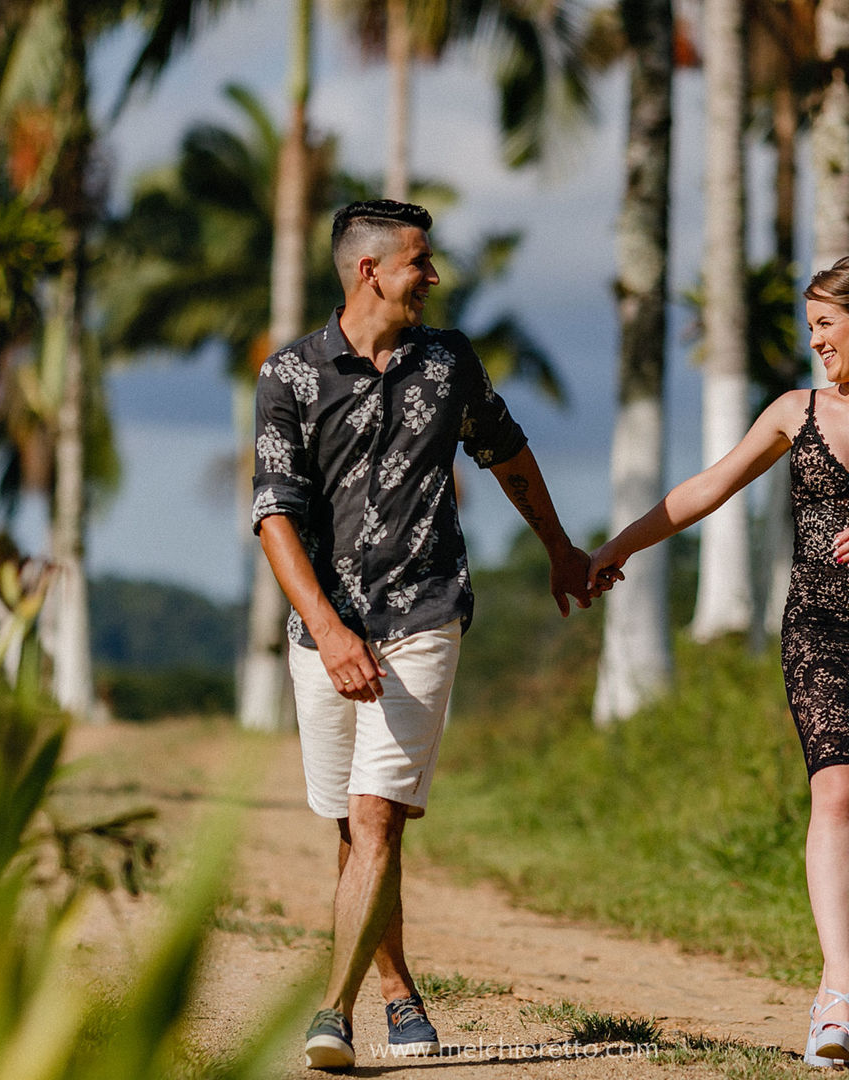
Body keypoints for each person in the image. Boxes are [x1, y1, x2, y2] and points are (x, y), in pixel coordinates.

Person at [588, 253, 849, 1068]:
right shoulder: (793, 413)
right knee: (835, 786)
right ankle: (839, 992)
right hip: (818, 633)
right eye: (809, 329)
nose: (815, 345)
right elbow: (706, 487)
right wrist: (619, 546)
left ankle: (840, 983)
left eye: (826, 327)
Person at [253, 199, 598, 1072]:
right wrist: (328, 630)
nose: (433, 276)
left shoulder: (448, 364)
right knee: (348, 824)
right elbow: (275, 518)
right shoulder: (289, 374)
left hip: (424, 612)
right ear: (368, 270)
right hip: (324, 630)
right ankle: (399, 986)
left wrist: (560, 550)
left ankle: (330, 1015)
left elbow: (507, 452)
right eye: (419, 261)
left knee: (376, 816)